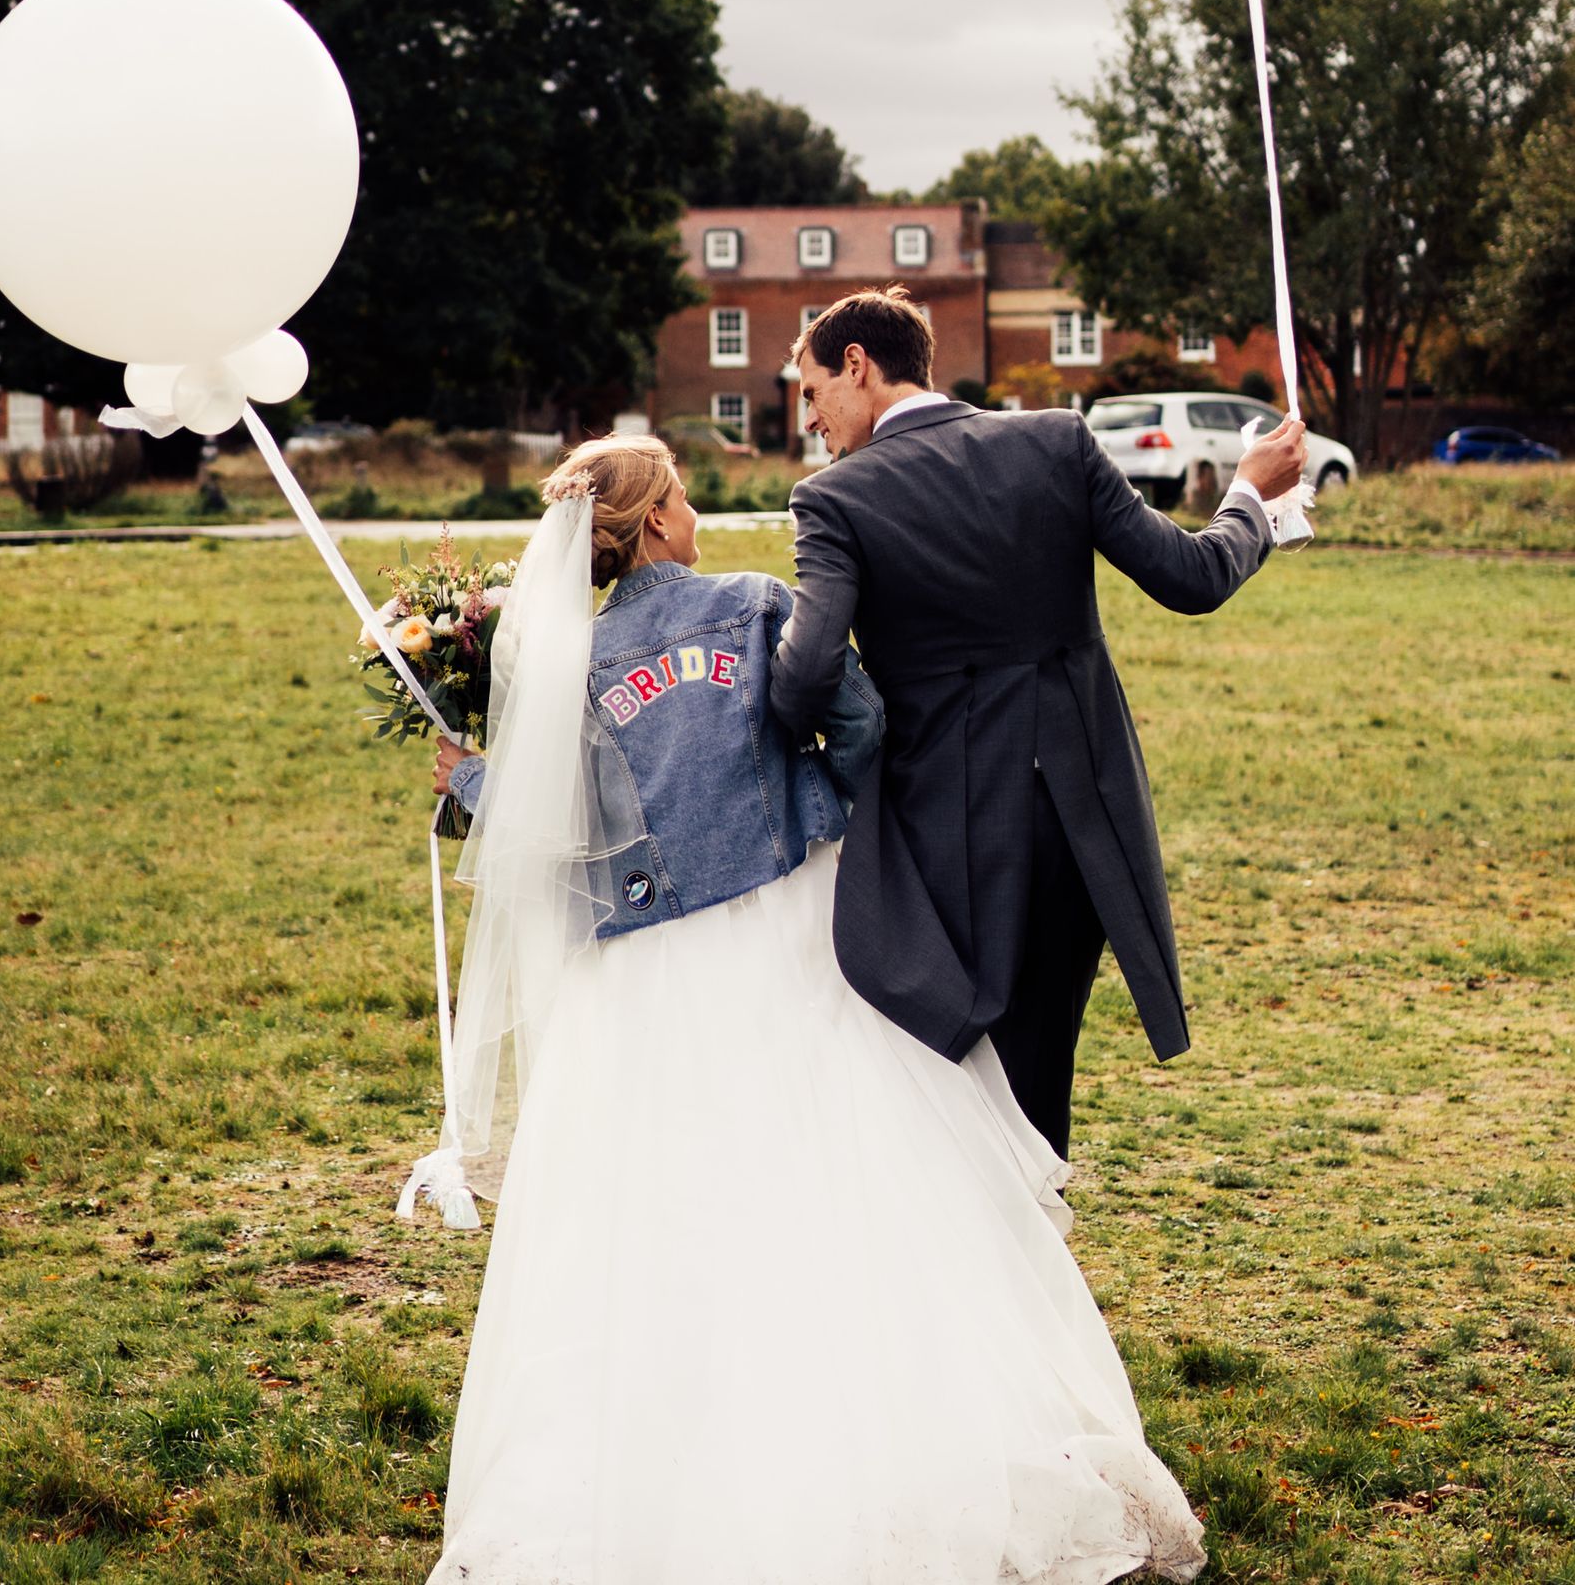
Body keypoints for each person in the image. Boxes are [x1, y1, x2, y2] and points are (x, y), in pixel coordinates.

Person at [418, 432, 1209, 1584]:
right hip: (790, 925)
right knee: (847, 1167)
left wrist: (469, 780)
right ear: (655, 521)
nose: (694, 515)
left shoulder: (576, 664)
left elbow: (557, 823)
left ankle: (684, 1467)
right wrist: (822, 799)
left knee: (670, 1206)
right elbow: (862, 718)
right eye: (682, 497)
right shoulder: (753, 604)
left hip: (646, 970)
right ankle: (892, 1433)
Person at [770, 286, 1308, 1157]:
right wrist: (1250, 492)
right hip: (1081, 821)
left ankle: (982, 1231)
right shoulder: (1058, 440)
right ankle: (1035, 1216)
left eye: (812, 391)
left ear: (858, 365)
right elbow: (1194, 577)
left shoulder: (832, 499)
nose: (810, 418)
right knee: (1038, 1063)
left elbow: (805, 677)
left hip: (939, 825)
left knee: (936, 1067)